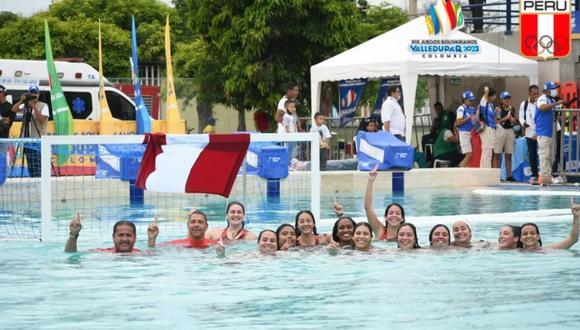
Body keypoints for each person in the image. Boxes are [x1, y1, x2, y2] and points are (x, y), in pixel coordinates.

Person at [11, 85, 49, 177]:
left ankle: (40, 179)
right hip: (28, 139)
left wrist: (34, 107)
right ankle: (33, 178)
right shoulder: (25, 105)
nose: (33, 96)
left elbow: (42, 120)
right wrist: (21, 100)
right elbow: (13, 109)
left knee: (38, 165)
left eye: (35, 94)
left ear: (38, 95)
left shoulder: (44, 106)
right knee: (31, 165)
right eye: (31, 94)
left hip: (39, 140)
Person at [535, 81, 566, 186]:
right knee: (544, 156)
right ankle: (544, 179)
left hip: (551, 132)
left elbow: (556, 113)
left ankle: (548, 177)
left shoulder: (551, 99)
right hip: (543, 131)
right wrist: (557, 103)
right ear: (547, 90)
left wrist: (560, 106)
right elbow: (543, 107)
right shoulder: (542, 98)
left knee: (551, 156)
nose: (555, 90)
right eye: (553, 89)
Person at [364, 167, 406, 241]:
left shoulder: (406, 236)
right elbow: (368, 208)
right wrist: (370, 181)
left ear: (402, 218)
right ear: (386, 217)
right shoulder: (380, 231)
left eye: (397, 213)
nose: (394, 215)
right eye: (391, 213)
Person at [65, 214, 141, 253]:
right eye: (121, 235)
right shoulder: (103, 252)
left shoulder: (143, 255)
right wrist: (73, 235)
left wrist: (151, 239)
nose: (124, 239)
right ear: (113, 237)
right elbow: (71, 255)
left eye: (128, 235)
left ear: (135, 238)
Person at [149, 210, 218, 249]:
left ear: (206, 226)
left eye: (200, 222)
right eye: (193, 222)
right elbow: (152, 252)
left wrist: (221, 255)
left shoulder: (216, 246)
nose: (196, 225)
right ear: (188, 225)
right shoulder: (176, 244)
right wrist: (151, 239)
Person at [493, 91, 518, 179]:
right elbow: (496, 121)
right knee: (497, 153)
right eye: (505, 98)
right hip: (500, 130)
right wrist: (505, 118)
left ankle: (509, 175)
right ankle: (496, 175)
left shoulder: (512, 109)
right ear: (502, 100)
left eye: (508, 98)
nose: (507, 100)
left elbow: (515, 120)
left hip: (509, 130)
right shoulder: (498, 109)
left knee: (509, 154)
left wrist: (513, 120)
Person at [519, 85, 540, 184]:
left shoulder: (540, 104)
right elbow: (521, 117)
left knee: (543, 154)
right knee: (532, 155)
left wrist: (538, 132)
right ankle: (534, 175)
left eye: (537, 93)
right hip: (529, 133)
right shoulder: (524, 104)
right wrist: (523, 123)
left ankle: (545, 174)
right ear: (529, 93)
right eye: (534, 93)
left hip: (540, 133)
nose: (536, 96)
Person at [455, 90, 477, 167]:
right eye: (470, 100)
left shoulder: (473, 109)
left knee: (472, 156)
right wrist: (469, 117)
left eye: (472, 100)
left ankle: (466, 174)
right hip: (464, 133)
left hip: (472, 134)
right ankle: (458, 170)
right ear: (464, 99)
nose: (471, 101)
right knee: (469, 155)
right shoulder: (461, 108)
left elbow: (474, 122)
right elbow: (458, 122)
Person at [478, 86, 497, 168]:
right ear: (489, 96)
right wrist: (487, 90)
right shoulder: (483, 103)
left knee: (488, 151)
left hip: (491, 129)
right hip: (486, 128)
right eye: (494, 95)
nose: (495, 97)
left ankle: (484, 169)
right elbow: (484, 97)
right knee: (486, 150)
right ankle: (485, 170)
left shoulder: (491, 105)